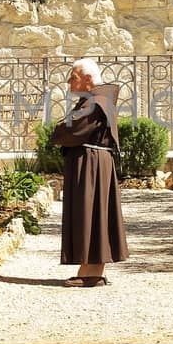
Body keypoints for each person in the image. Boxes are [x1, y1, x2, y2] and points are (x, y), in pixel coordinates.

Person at [49, 58, 129, 285]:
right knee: (94, 213)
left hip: (91, 165)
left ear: (87, 79)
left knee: (91, 213)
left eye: (72, 78)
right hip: (92, 162)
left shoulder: (97, 101)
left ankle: (93, 272)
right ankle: (90, 270)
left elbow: (71, 128)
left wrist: (58, 131)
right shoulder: (96, 100)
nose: (69, 84)